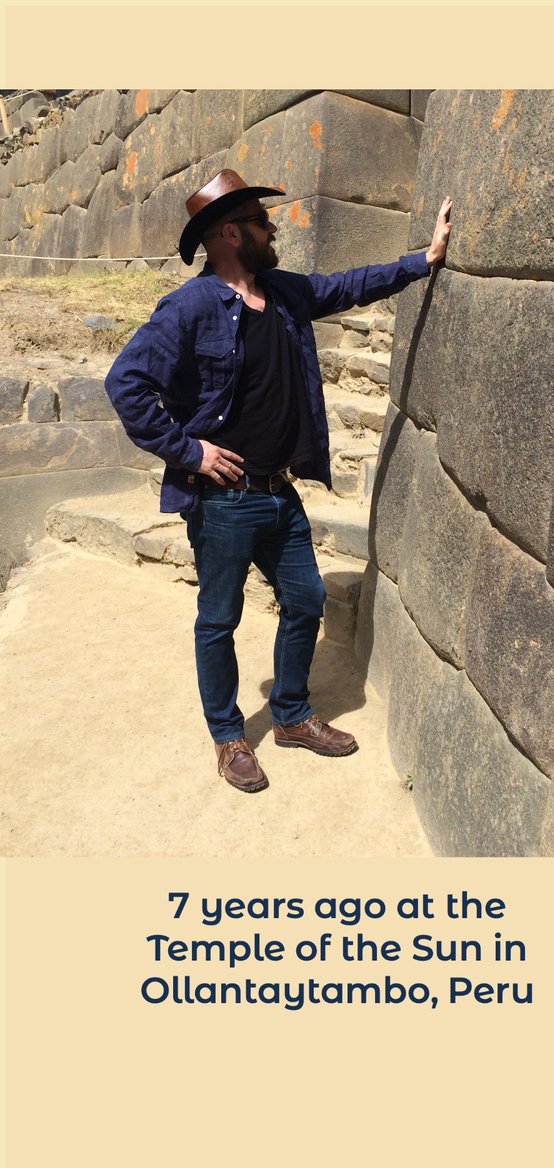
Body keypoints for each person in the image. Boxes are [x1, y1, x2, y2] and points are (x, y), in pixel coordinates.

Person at [105, 169, 453, 793]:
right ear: (234, 234)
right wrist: (190, 452)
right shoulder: (190, 307)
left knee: (306, 601)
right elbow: (125, 384)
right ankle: (229, 737)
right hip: (223, 502)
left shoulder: (285, 294)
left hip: (278, 492)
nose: (275, 230)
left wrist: (423, 261)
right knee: (219, 618)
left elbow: (345, 286)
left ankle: (291, 715)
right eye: (264, 224)